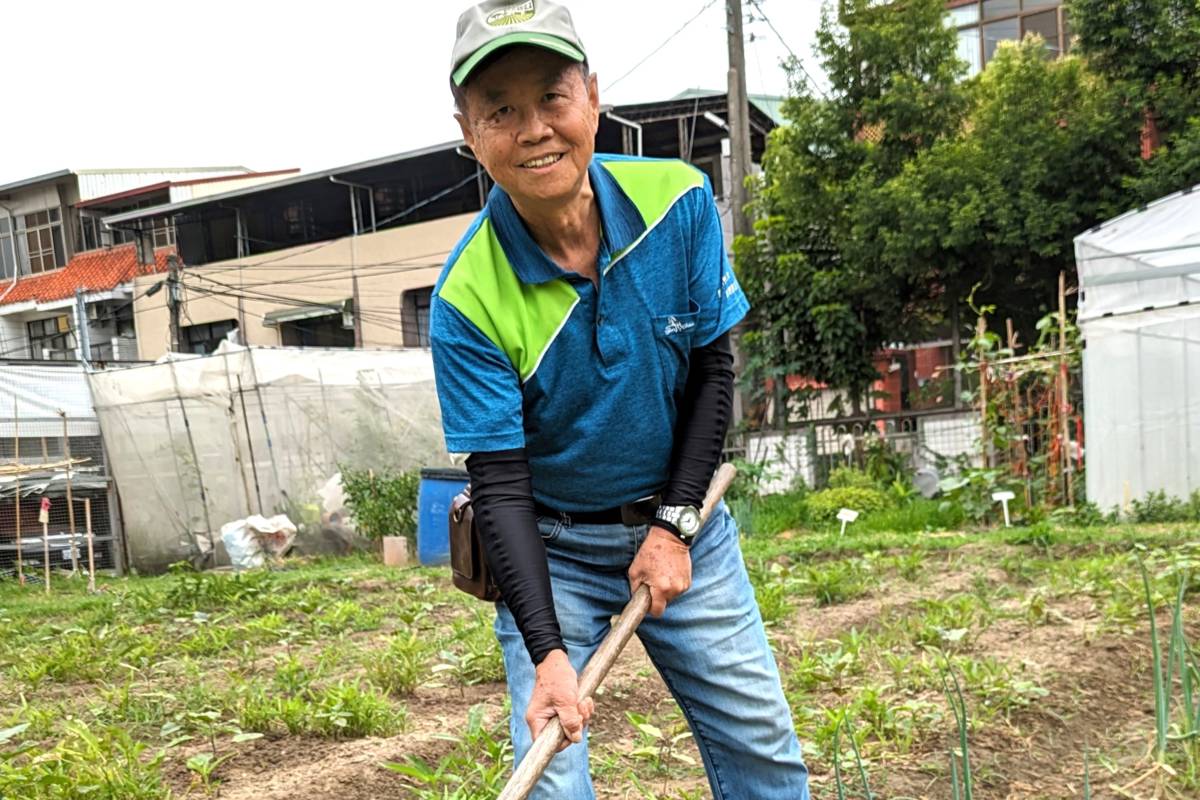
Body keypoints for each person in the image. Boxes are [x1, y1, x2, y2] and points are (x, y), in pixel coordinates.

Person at [430, 2, 810, 797]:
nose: (533, 128)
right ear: (469, 131)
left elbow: (714, 372)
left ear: (593, 99)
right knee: (552, 782)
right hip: (552, 550)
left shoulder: (679, 203)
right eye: (501, 109)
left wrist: (674, 526)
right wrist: (548, 654)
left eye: (552, 98)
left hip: (683, 526)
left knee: (763, 756)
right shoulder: (467, 298)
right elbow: (499, 485)